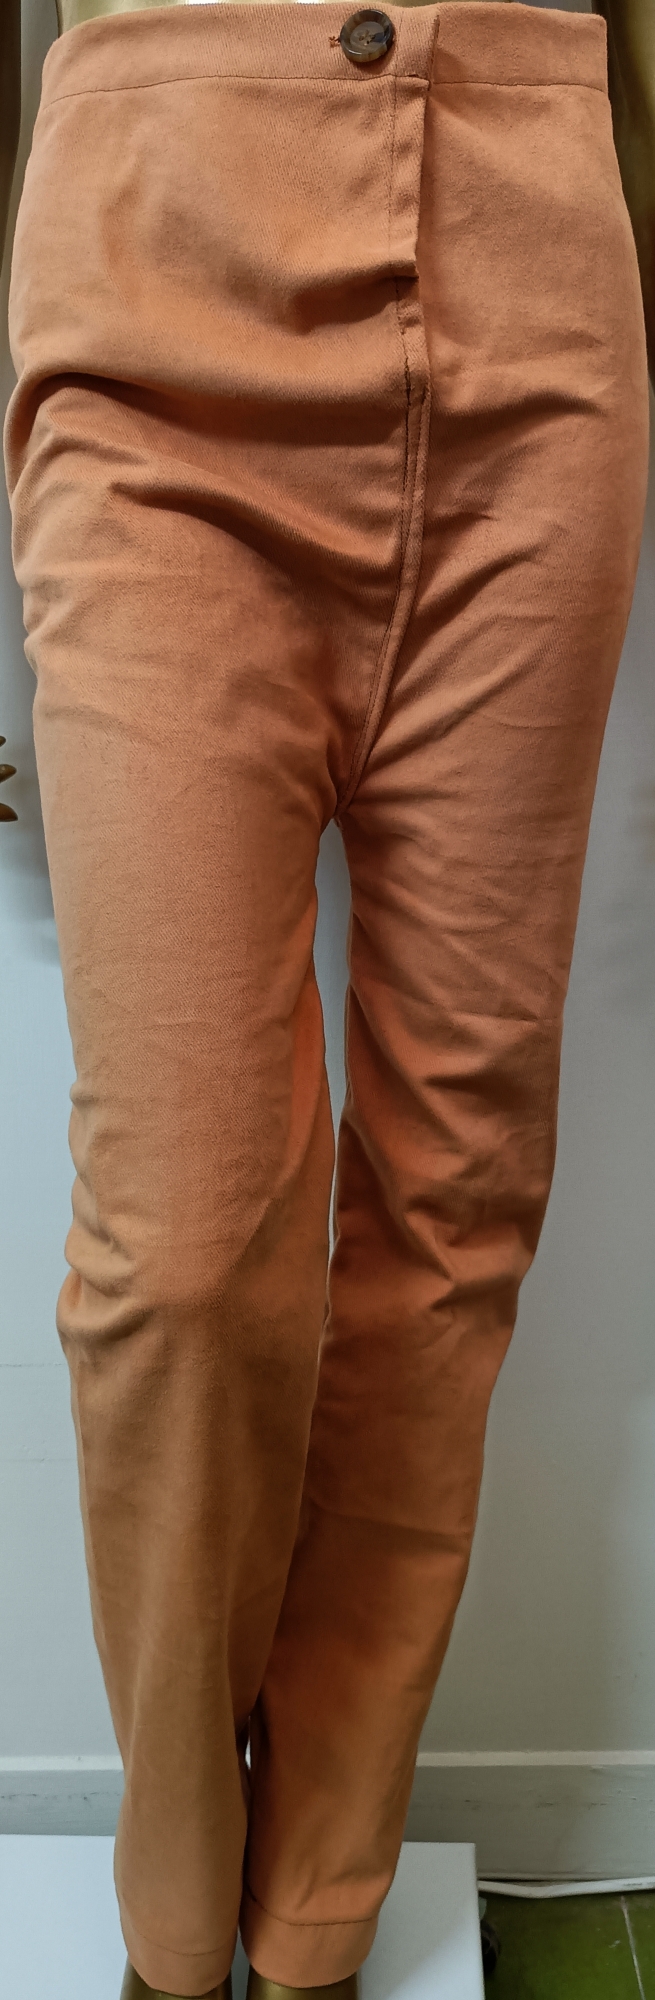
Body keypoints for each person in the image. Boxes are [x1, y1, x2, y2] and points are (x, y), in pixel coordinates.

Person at [0, 3, 652, 1997]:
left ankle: (316, 1922)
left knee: (453, 1213)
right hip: (146, 322)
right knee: (184, 1256)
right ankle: (175, 1924)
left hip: (541, 321)